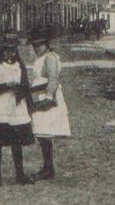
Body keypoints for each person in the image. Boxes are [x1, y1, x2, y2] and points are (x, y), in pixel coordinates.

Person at [0, 34, 35, 186]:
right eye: (6, 51)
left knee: (16, 143)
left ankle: (20, 174)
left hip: (16, 108)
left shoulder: (20, 66)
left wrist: (21, 91)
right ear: (1, 52)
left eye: (12, 51)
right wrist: (6, 86)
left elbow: (25, 85)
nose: (10, 54)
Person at [29, 28, 71, 180]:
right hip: (39, 96)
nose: (36, 48)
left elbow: (53, 78)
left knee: (45, 133)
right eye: (34, 45)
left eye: (39, 45)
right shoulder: (41, 58)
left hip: (46, 97)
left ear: (46, 44)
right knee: (42, 134)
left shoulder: (50, 58)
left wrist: (48, 96)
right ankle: (48, 166)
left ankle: (48, 168)